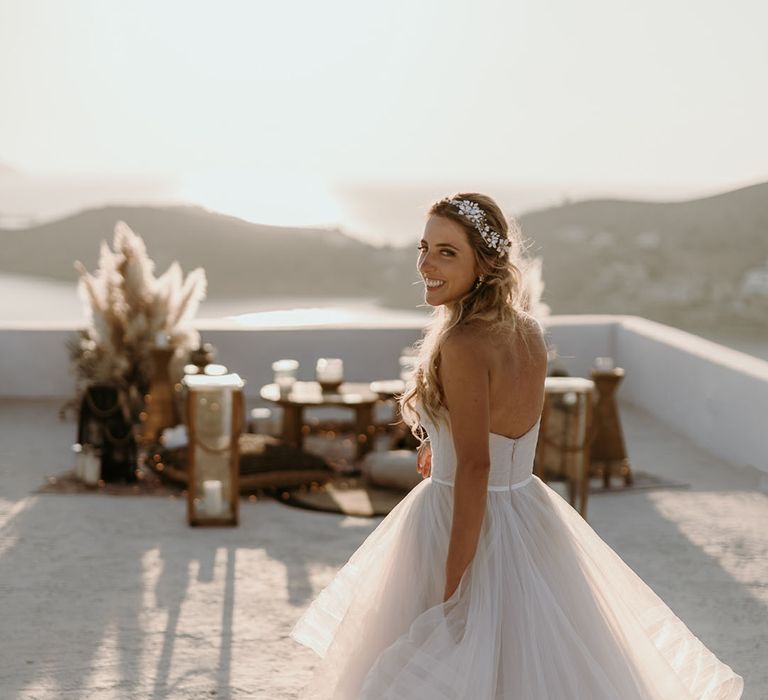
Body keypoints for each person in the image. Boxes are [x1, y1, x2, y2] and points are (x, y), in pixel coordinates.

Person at [290, 193, 744, 699]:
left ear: (485, 263)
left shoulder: (463, 343)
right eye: (424, 248)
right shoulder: (525, 330)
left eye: (447, 252)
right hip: (527, 511)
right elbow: (504, 434)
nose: (426, 264)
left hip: (460, 515)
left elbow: (478, 466)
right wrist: (441, 442)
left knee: (443, 662)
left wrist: (456, 584)